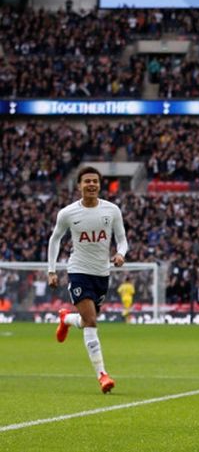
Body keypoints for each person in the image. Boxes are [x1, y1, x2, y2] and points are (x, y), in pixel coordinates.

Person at [48, 166, 128, 394]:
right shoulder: (67, 213)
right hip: (78, 271)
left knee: (85, 320)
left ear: (100, 185)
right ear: (79, 186)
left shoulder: (111, 210)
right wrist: (52, 271)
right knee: (91, 320)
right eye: (87, 181)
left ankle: (65, 319)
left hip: (102, 274)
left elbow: (122, 239)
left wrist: (121, 253)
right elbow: (55, 240)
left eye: (95, 181)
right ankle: (103, 375)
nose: (91, 184)